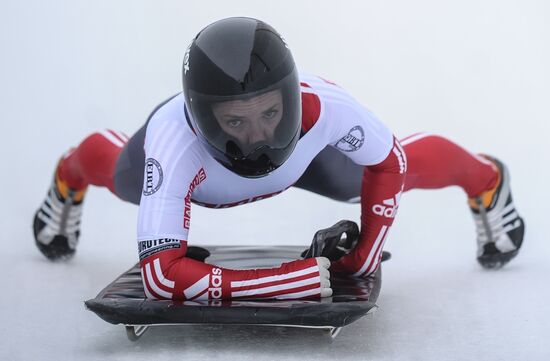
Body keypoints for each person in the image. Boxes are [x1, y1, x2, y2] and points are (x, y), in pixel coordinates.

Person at [32, 17, 525, 301]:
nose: (259, 139)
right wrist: (289, 281)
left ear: (291, 95)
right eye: (236, 122)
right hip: (198, 175)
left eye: (270, 112)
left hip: (302, 160)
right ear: (203, 117)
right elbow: (161, 277)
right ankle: (67, 177)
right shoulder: (172, 141)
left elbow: (389, 161)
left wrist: (366, 253)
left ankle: (485, 179)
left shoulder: (325, 106)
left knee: (363, 179)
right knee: (122, 175)